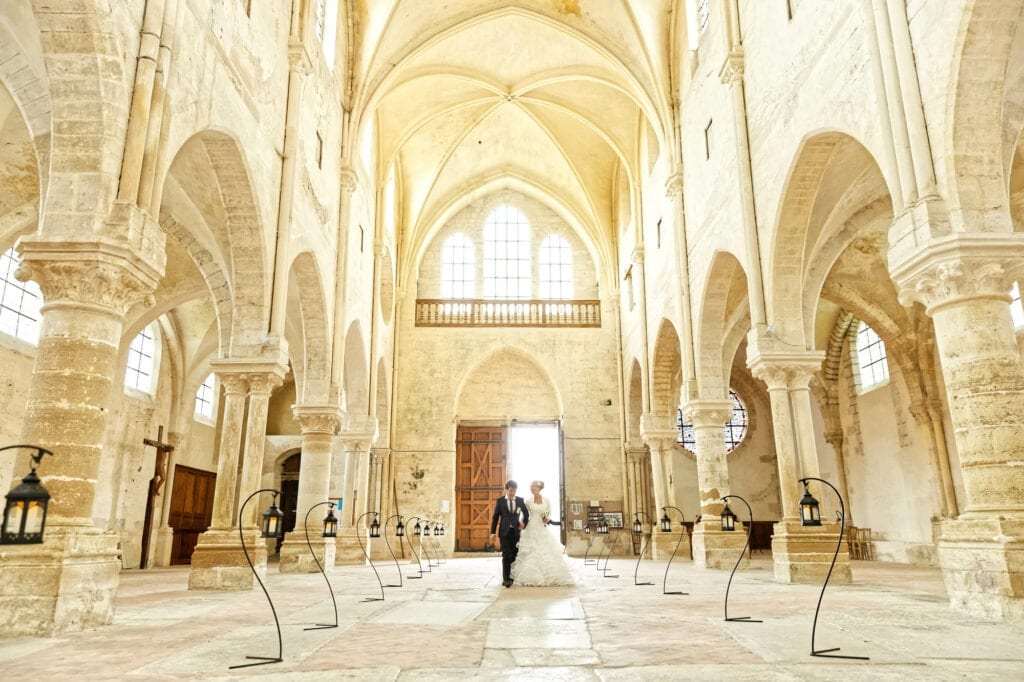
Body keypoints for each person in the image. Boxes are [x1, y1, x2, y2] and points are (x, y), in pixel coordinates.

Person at [511, 480, 578, 586]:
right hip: (531, 526)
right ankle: (530, 577)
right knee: (532, 550)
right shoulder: (528, 501)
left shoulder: (546, 500)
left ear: (539, 488)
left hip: (542, 526)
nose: (532, 489)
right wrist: (522, 522)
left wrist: (546, 518)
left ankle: (549, 577)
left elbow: (548, 512)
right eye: (531, 487)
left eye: (534, 487)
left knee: (545, 549)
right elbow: (525, 515)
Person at [490, 479, 529, 587]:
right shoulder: (500, 501)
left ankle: (513, 576)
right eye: (511, 491)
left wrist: (524, 523)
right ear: (506, 490)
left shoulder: (520, 501)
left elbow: (526, 514)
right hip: (504, 531)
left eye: (514, 491)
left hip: (516, 532)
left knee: (515, 554)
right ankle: (506, 579)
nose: (512, 493)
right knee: (506, 554)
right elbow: (495, 517)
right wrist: (492, 532)